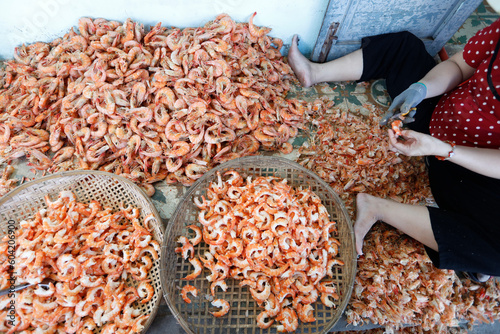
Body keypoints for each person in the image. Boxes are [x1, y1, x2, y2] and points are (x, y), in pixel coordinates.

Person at [288, 16, 500, 282]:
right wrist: (421, 89)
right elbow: (459, 65)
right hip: (440, 115)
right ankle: (314, 72)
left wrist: (444, 149)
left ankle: (377, 208)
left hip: (469, 167)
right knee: (405, 46)